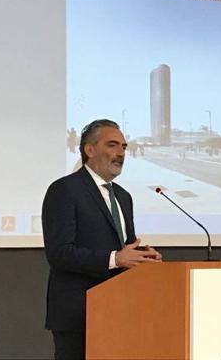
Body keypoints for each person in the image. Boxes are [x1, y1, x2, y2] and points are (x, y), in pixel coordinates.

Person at [42, 119, 162, 359]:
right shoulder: (65, 189)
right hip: (79, 314)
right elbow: (59, 253)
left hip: (119, 310)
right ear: (89, 150)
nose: (121, 153)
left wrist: (142, 256)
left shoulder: (123, 196)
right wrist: (116, 258)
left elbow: (124, 249)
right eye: (112, 145)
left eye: (124, 147)